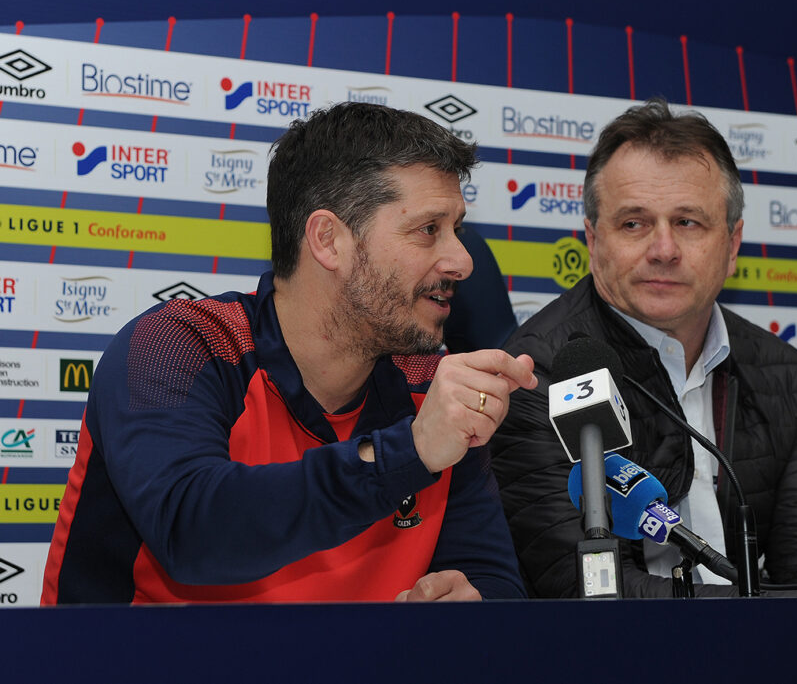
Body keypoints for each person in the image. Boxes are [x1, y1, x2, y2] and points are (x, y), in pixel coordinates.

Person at [42, 102, 536, 604]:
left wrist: (474, 605)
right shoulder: (178, 348)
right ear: (328, 240)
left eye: (458, 229)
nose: (463, 261)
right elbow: (191, 530)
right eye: (429, 229)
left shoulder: (433, 385)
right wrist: (410, 453)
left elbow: (491, 579)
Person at [490, 99, 797, 598]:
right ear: (593, 239)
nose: (663, 249)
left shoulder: (780, 371)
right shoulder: (539, 373)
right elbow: (584, 589)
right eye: (633, 223)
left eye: (688, 222)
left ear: (733, 242)